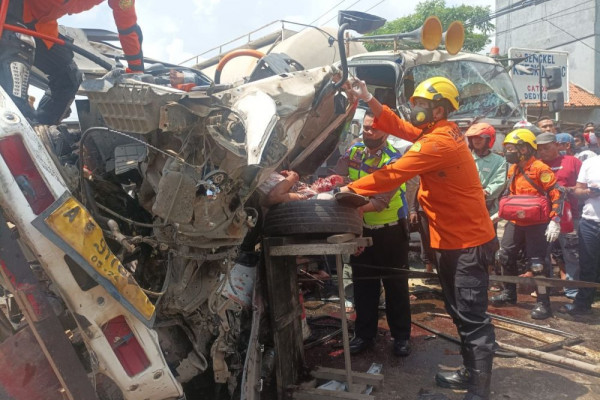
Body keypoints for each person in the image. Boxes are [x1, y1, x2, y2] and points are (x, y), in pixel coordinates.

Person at [342, 76, 496, 400]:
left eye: (421, 106)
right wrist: (369, 97)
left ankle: (478, 392)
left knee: (472, 319)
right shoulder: (438, 132)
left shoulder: (439, 143)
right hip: (450, 240)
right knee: (459, 313)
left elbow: (395, 174)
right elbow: (400, 127)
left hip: (466, 243)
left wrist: (346, 190)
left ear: (438, 110)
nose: (415, 112)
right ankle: (470, 374)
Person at [334, 111, 412, 357]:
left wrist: (354, 209)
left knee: (395, 286)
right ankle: (364, 335)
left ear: (386, 131)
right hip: (361, 229)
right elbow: (338, 177)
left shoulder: (393, 159)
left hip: (390, 233)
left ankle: (401, 338)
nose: (368, 132)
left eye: (374, 129)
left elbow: (380, 201)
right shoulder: (354, 152)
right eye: (366, 128)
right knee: (363, 285)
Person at [1, 0, 144, 125]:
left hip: (39, 24)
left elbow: (128, 27)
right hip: (8, 10)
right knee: (17, 48)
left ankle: (40, 131)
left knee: (69, 77)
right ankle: (14, 124)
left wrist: (136, 70)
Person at [491, 129, 565, 320]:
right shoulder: (513, 169)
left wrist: (555, 220)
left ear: (525, 149)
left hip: (538, 224)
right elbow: (511, 196)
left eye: (511, 148)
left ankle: (543, 302)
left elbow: (557, 194)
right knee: (505, 255)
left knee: (538, 264)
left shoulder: (541, 169)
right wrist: (499, 214)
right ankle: (509, 292)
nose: (508, 152)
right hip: (516, 222)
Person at [536, 132, 582, 300]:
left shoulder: (572, 162)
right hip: (542, 216)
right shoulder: (537, 165)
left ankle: (572, 291)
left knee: (571, 253)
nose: (542, 152)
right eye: (539, 149)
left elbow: (583, 185)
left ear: (556, 144)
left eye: (546, 148)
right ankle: (546, 288)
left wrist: (567, 191)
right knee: (542, 253)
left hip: (569, 215)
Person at [560, 155, 600, 315]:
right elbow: (577, 190)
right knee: (587, 265)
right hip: (590, 222)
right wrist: (589, 192)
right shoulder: (590, 162)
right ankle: (583, 303)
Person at [465, 123, 507, 218]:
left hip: (488, 207)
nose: (476, 140)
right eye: (474, 137)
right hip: (467, 205)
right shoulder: (465, 159)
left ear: (488, 139)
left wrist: (486, 192)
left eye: (480, 137)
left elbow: (499, 182)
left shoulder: (499, 161)